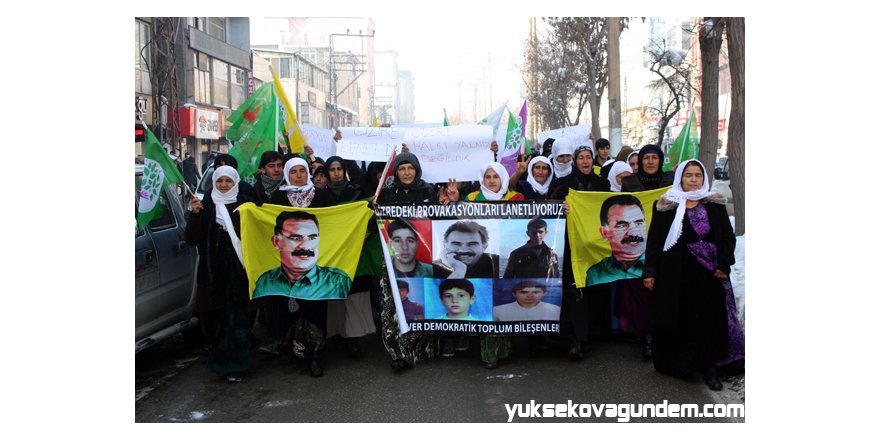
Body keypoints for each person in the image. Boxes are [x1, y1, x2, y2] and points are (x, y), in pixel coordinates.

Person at [642, 159, 740, 391]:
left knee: (708, 321)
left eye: (698, 175)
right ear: (680, 179)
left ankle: (709, 367)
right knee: (683, 319)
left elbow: (728, 237)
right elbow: (655, 241)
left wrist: (724, 265)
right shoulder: (667, 206)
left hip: (710, 274)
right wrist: (650, 271)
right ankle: (684, 362)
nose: (694, 180)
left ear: (704, 179)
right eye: (689, 175)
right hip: (677, 275)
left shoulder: (714, 204)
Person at [185, 165, 256, 383]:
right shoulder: (206, 205)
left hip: (241, 271)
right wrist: (195, 215)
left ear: (236, 182)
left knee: (239, 318)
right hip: (215, 272)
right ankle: (222, 361)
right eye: (219, 181)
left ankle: (238, 364)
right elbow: (192, 239)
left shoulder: (245, 205)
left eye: (228, 181)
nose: (223, 185)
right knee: (219, 319)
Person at [549, 144, 611, 360]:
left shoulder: (602, 184)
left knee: (594, 289)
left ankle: (591, 336)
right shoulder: (563, 184)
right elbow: (548, 210)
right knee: (573, 292)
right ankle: (574, 338)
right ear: (574, 161)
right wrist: (559, 207)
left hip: (594, 246)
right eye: (581, 158)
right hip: (570, 245)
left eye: (588, 157)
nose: (585, 161)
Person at [586, 195, 647, 286]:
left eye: (639, 223)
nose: (633, 233)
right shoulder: (596, 274)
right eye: (622, 225)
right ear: (604, 233)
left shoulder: (660, 266)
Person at [433, 221, 500, 279]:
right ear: (445, 245)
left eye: (472, 244)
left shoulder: (497, 263)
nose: (463, 250)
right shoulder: (432, 268)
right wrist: (459, 270)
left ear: (484, 246)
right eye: (456, 244)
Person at [493, 281, 561, 321]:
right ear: (514, 294)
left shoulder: (556, 310)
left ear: (544, 293)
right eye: (524, 292)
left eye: (535, 292)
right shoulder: (496, 311)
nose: (530, 296)